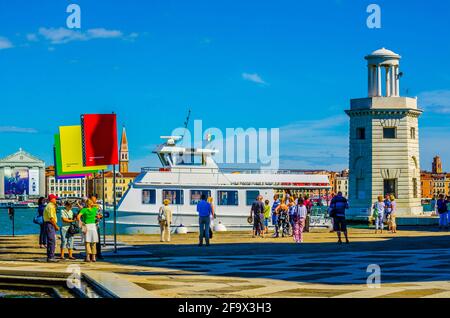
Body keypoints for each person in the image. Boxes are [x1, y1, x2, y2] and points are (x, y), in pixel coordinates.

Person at [43, 194, 59, 262]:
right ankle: (51, 257)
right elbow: (51, 218)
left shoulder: (50, 206)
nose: (56, 200)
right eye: (55, 199)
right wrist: (56, 226)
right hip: (50, 224)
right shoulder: (50, 206)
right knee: (52, 240)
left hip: (48, 224)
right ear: (52, 199)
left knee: (51, 240)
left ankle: (50, 255)